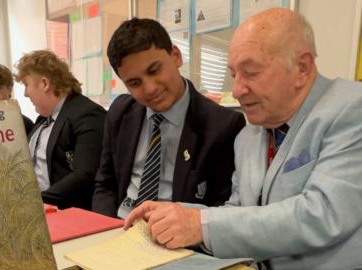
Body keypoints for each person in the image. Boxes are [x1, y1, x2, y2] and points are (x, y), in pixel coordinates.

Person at [125, 8, 362, 270]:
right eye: (233, 74)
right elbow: (238, 210)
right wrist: (175, 213)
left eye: (250, 72)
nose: (237, 90)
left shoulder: (352, 109)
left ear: (302, 68)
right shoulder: (249, 134)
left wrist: (199, 225)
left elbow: (322, 215)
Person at [91, 18, 246, 218]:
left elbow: (221, 209)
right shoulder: (121, 112)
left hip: (175, 235)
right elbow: (105, 183)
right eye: (134, 83)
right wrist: (105, 230)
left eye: (154, 70)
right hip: (121, 226)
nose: (150, 88)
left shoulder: (222, 125)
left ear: (176, 56)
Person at [14, 50, 106, 210]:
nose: (25, 93)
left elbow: (85, 174)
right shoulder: (42, 120)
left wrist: (36, 203)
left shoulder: (87, 114)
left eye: (26, 85)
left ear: (44, 83)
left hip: (65, 212)